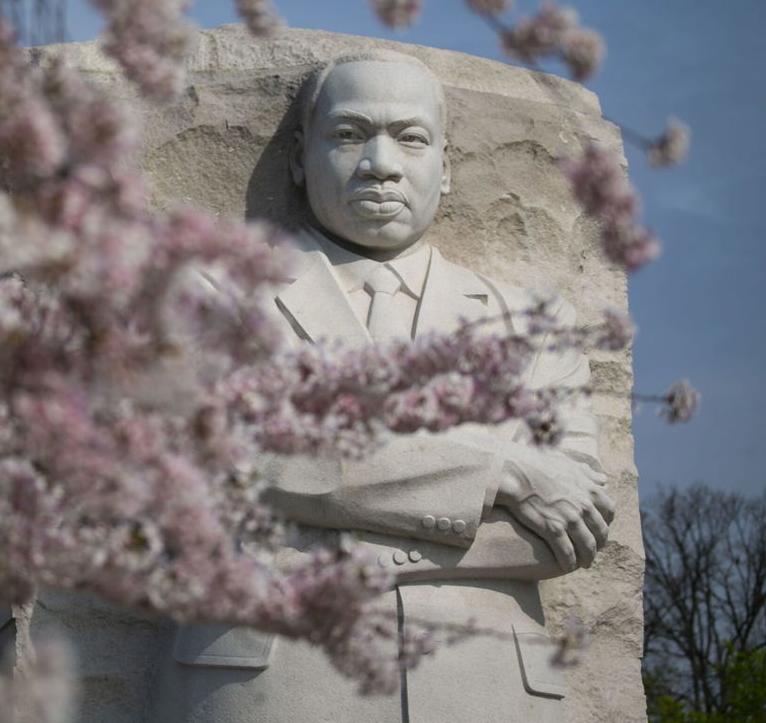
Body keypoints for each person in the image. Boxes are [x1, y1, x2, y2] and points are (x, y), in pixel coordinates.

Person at [150, 51, 615, 723]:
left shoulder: (534, 327)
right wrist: (497, 469)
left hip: (486, 689)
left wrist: (305, 527)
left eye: (411, 137)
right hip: (269, 689)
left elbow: (567, 532)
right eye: (348, 134)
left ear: (446, 167)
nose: (380, 164)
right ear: (299, 159)